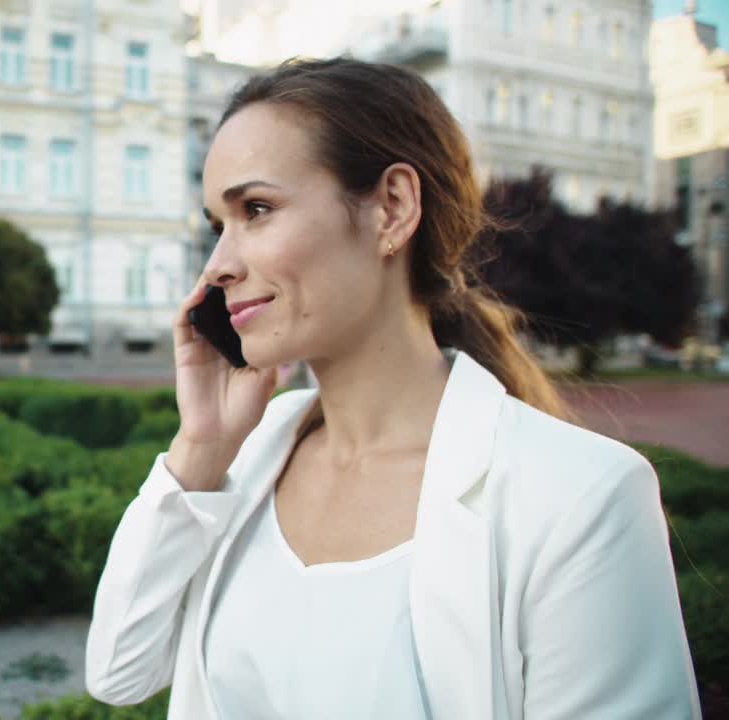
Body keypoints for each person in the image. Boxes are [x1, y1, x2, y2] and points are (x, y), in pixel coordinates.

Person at [84, 57, 700, 719]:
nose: (217, 267)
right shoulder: (250, 454)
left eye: (256, 209)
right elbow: (119, 673)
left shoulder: (581, 498)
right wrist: (200, 446)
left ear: (392, 208)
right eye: (217, 225)